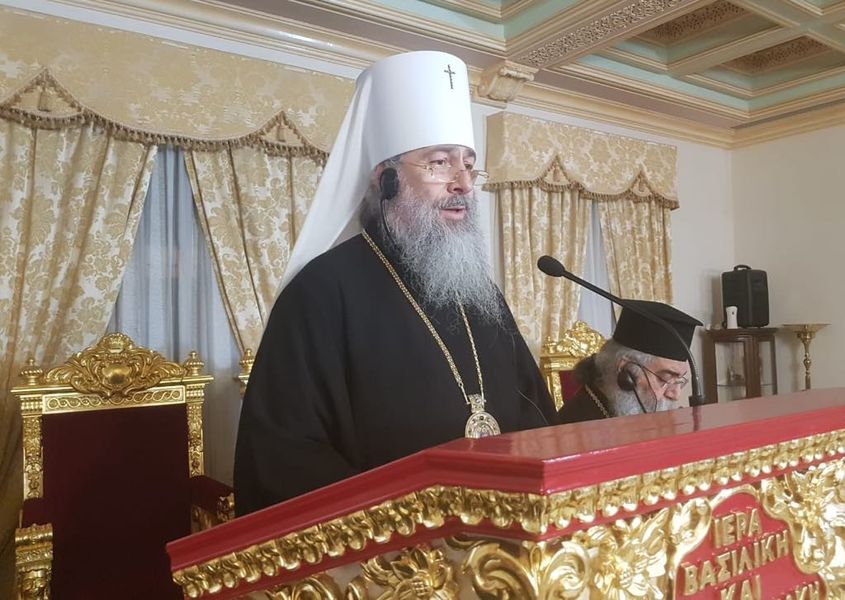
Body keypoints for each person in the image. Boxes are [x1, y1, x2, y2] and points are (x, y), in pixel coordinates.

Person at [234, 51, 557, 515]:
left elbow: (535, 412)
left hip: (505, 526)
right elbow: (285, 458)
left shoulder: (480, 293)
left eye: (469, 165)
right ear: (386, 181)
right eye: (440, 163)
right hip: (395, 546)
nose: (464, 184)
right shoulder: (321, 292)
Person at [558, 300, 702, 424]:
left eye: (679, 381)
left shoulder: (635, 412)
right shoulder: (577, 426)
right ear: (627, 372)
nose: (676, 394)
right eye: (664, 379)